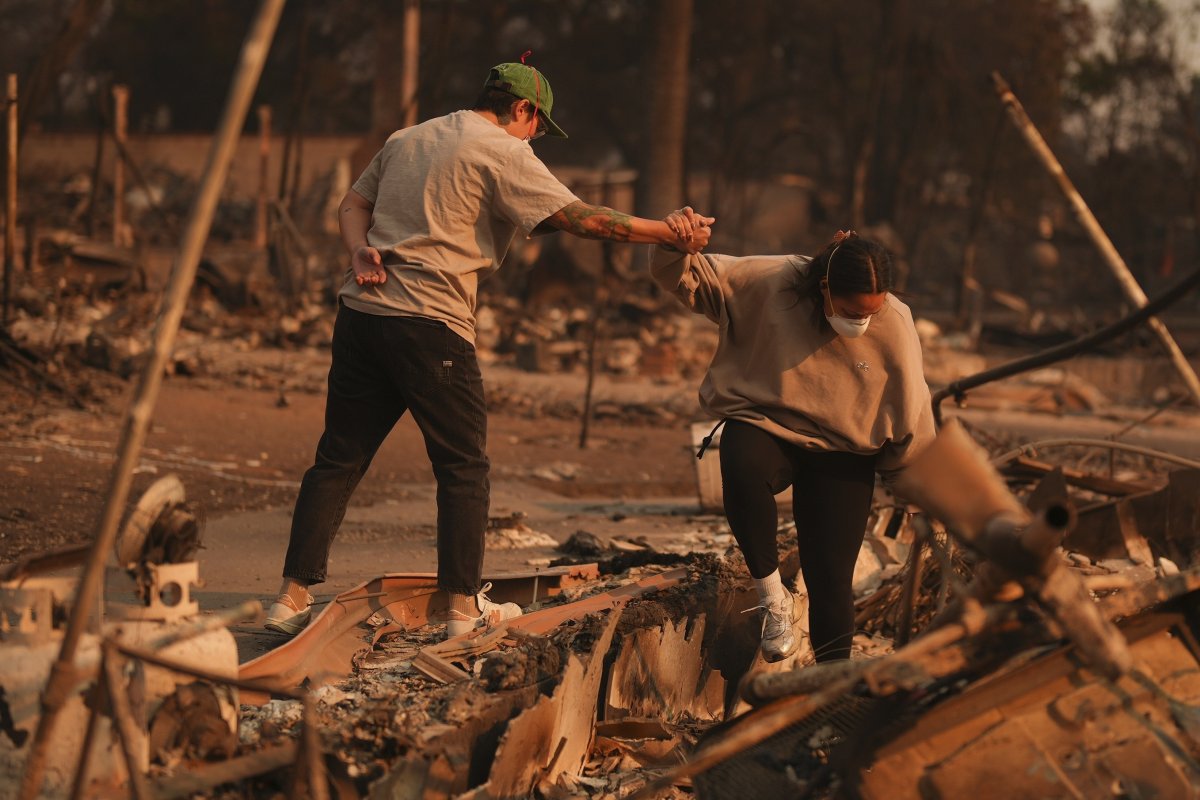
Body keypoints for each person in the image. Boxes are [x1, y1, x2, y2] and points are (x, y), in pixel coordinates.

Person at [265, 57, 709, 639]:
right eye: (538, 127)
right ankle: (458, 610)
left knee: (338, 458)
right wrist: (668, 231)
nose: (535, 140)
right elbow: (579, 218)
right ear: (521, 109)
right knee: (463, 468)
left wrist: (359, 251)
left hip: (362, 314)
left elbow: (353, 206)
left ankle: (290, 597)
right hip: (431, 323)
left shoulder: (411, 138)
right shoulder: (502, 151)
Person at [651, 219, 935, 663]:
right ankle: (773, 600)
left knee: (831, 582)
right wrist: (674, 243)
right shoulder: (771, 282)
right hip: (769, 426)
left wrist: (921, 494)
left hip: (845, 450)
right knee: (741, 459)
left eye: (870, 313)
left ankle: (828, 693)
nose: (861, 320)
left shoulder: (895, 323)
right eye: (851, 309)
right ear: (824, 286)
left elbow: (913, 410)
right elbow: (690, 277)